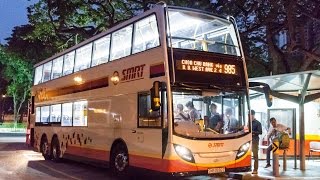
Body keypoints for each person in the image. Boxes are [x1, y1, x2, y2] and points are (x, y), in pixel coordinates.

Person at [250, 110, 262, 174]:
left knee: (255, 156)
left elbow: (260, 132)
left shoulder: (258, 123)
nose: (249, 116)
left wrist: (253, 132)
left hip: (255, 141)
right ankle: (249, 168)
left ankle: (255, 169)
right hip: (248, 141)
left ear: (253, 115)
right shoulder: (248, 123)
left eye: (250, 115)